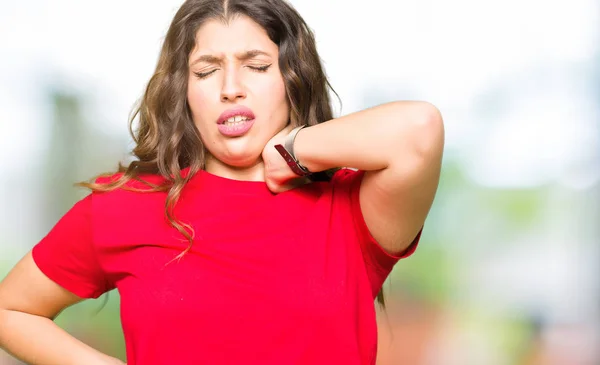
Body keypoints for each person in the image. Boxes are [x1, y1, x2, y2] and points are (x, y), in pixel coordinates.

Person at [0, 0, 444, 364]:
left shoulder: (351, 206)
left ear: (292, 80)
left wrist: (291, 151)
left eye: (256, 65)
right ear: (184, 92)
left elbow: (419, 129)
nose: (230, 87)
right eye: (207, 71)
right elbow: (10, 310)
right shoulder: (125, 205)